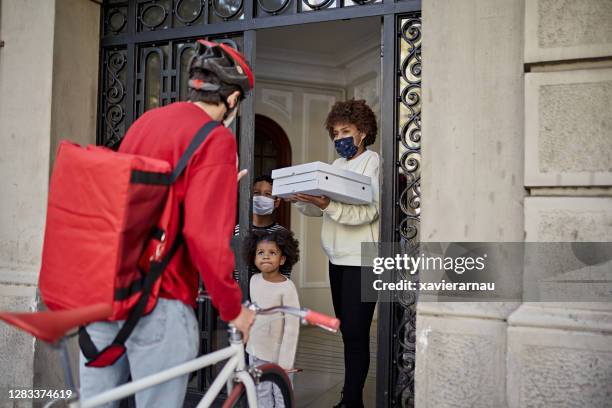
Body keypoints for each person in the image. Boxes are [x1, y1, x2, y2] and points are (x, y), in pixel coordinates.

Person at [79, 40, 256, 407]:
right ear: (233, 99)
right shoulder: (216, 139)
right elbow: (203, 237)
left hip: (106, 293)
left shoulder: (148, 121)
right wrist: (233, 309)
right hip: (161, 302)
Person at [289, 99, 379, 408]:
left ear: (363, 131)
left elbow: (369, 213)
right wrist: (301, 199)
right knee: (347, 332)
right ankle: (349, 397)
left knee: (355, 332)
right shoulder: (337, 166)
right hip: (337, 259)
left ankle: (351, 401)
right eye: (335, 132)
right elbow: (325, 210)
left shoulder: (373, 162)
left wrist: (328, 205)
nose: (339, 137)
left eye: (346, 130)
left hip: (363, 260)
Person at [243, 229, 300, 408]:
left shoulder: (287, 287)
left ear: (282, 259)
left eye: (272, 253)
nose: (266, 257)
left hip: (279, 355)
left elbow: (292, 325)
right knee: (261, 391)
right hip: (256, 350)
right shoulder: (253, 280)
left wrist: (286, 359)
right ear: (253, 257)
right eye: (261, 252)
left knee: (281, 393)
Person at [233, 175, 291, 281]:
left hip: (270, 294)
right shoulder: (236, 230)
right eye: (256, 193)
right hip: (239, 293)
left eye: (267, 194)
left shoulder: (282, 233)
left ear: (276, 201)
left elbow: (285, 273)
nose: (261, 197)